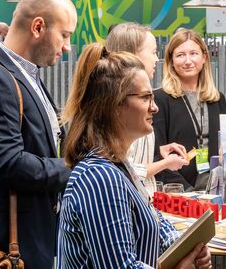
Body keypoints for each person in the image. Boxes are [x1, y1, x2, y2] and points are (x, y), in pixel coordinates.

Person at [57, 43, 211, 268]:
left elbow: (157, 225)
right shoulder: (100, 177)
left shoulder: (120, 165)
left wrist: (188, 248)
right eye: (146, 97)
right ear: (114, 105)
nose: (154, 107)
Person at [0, 0, 75, 268]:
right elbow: (6, 164)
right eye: (65, 35)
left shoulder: (26, 74)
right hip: (2, 252)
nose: (67, 46)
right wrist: (72, 168)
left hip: (32, 242)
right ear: (38, 27)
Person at [104, 22, 189, 193]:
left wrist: (158, 151)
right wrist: (165, 163)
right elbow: (121, 169)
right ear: (133, 54)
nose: (157, 59)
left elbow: (132, 155)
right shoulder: (117, 103)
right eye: (153, 52)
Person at [154, 29, 226, 191]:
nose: (188, 61)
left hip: (216, 186)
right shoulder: (159, 99)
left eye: (193, 53)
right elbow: (157, 154)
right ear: (171, 60)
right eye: (180, 55)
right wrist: (186, 191)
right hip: (177, 189)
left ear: (204, 58)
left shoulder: (217, 99)